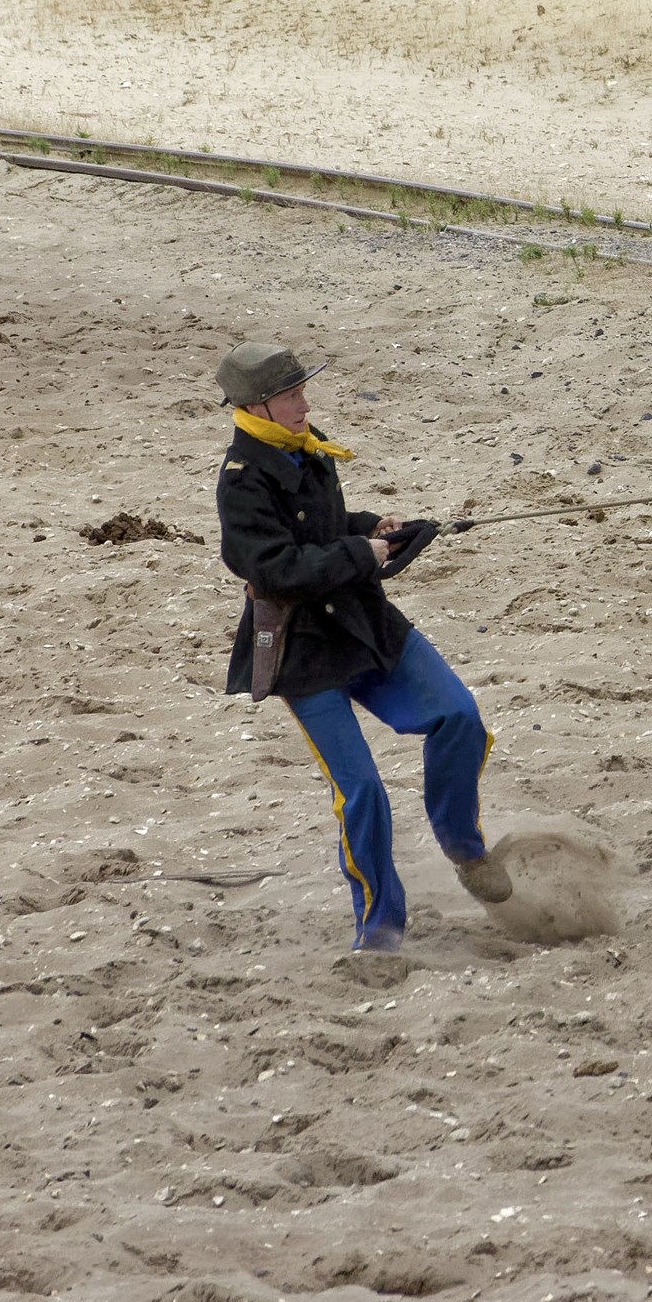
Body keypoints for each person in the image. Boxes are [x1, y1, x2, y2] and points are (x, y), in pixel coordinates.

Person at [214, 341, 507, 954]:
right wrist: (358, 554)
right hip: (303, 650)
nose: (304, 402)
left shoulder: (307, 446)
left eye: (301, 390)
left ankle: (464, 847)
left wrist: (372, 528)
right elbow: (270, 566)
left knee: (458, 717)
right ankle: (380, 927)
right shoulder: (241, 481)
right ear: (258, 406)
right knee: (362, 792)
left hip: (362, 621)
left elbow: (318, 530)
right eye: (292, 394)